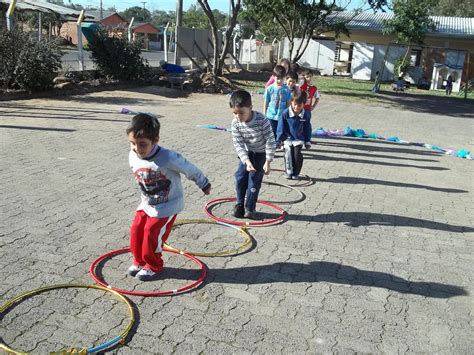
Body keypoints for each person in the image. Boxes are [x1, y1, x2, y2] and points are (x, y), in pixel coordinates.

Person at [126, 113, 211, 281]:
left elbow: (189, 168)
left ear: (155, 140)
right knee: (137, 229)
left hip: (168, 205)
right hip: (147, 203)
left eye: (142, 144)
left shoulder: (167, 157)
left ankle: (154, 265)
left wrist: (203, 183)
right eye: (132, 143)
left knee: (152, 233)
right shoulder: (133, 155)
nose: (136, 148)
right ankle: (139, 261)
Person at [230, 90, 276, 219]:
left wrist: (268, 161)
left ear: (250, 108)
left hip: (261, 153)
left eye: (241, 113)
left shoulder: (262, 120)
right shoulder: (235, 123)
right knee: (240, 176)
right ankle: (239, 204)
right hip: (247, 153)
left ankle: (250, 208)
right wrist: (247, 162)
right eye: (234, 113)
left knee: (254, 180)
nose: (238, 116)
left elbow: (270, 140)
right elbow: (238, 145)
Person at [276, 90, 312, 180]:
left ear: (303, 104)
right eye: (295, 104)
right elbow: (280, 127)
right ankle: (288, 172)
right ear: (291, 102)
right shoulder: (285, 113)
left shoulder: (305, 115)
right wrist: (279, 140)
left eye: (299, 105)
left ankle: (296, 173)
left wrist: (307, 141)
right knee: (288, 154)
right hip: (287, 138)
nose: (296, 107)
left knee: (297, 155)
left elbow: (307, 128)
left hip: (298, 139)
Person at [263, 65, 292, 137]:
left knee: (280, 131)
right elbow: (266, 101)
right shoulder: (270, 89)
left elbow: (288, 103)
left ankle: (279, 142)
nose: (279, 80)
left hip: (282, 115)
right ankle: (273, 143)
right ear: (273, 76)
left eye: (282, 78)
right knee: (272, 131)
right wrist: (264, 113)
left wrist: (289, 114)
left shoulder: (286, 89)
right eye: (278, 78)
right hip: (271, 115)